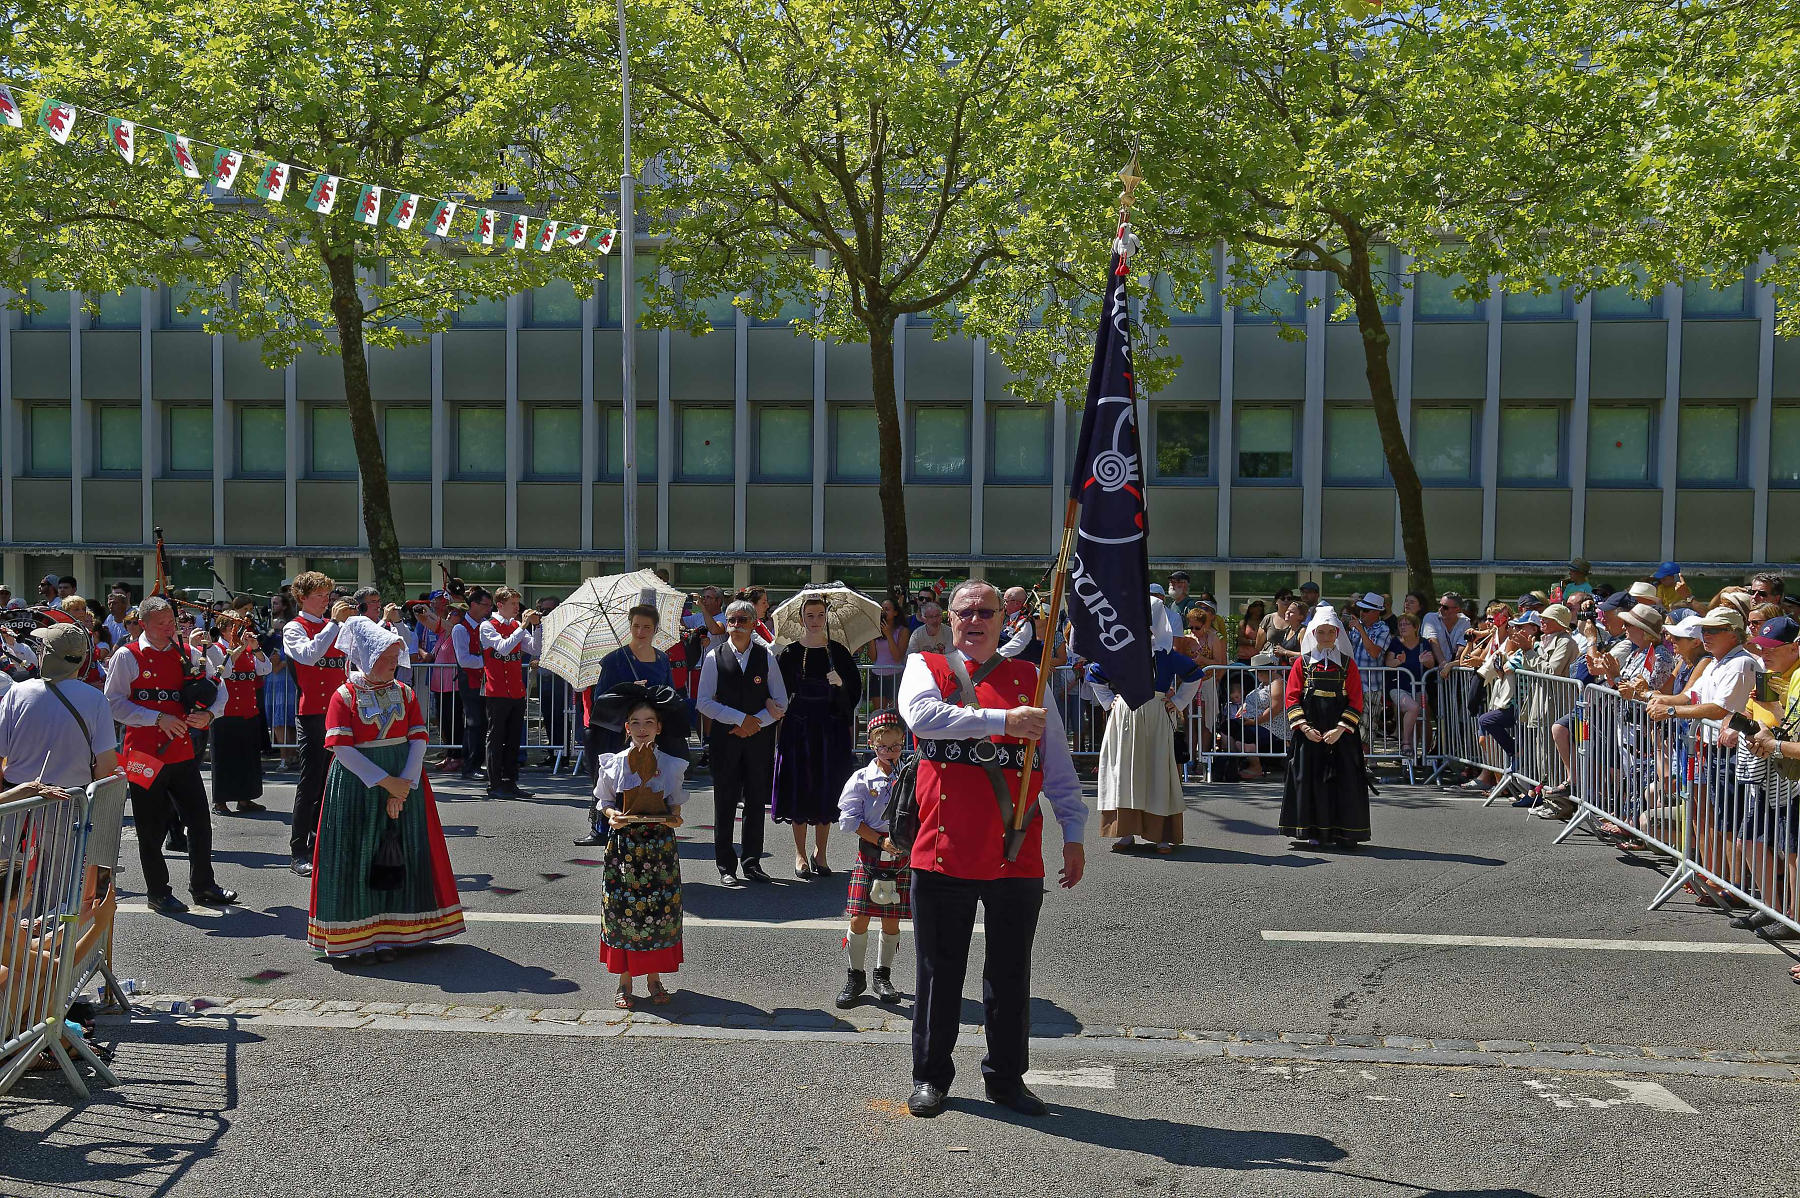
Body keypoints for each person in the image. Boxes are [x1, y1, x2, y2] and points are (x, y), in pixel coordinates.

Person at [898, 579, 1087, 1119]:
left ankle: (1007, 1078)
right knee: (939, 971)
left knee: (1009, 972)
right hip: (941, 846)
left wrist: (1073, 833)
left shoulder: (1031, 675)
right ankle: (931, 1076)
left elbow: (1057, 766)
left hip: (1016, 845)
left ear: (1005, 618)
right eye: (965, 612)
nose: (975, 620)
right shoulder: (926, 665)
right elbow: (922, 718)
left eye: (986, 611)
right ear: (949, 620)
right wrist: (1006, 721)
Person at [307, 617, 464, 963]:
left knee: (399, 851)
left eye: (395, 659)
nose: (394, 665)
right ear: (366, 656)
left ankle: (395, 933)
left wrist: (403, 786)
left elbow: (419, 738)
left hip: (404, 781)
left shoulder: (405, 693)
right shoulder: (343, 695)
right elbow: (341, 749)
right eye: (386, 659)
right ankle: (359, 938)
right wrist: (387, 782)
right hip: (357, 785)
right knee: (359, 853)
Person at [104, 596, 236, 914]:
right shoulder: (127, 655)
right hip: (142, 753)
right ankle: (158, 891)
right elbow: (112, 702)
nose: (168, 628)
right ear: (144, 624)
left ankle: (203, 885)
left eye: (171, 623)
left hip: (181, 752)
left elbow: (221, 688)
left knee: (199, 821)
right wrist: (157, 718)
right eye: (161, 623)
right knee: (151, 827)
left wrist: (211, 715)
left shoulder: (188, 654)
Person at [591, 688, 690, 1008]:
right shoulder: (615, 764)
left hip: (659, 850)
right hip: (625, 849)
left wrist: (674, 819)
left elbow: (675, 808)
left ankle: (655, 979)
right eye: (635, 722)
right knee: (624, 914)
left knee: (659, 914)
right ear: (627, 728)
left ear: (659, 727)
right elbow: (603, 802)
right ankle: (624, 982)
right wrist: (612, 816)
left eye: (649, 721)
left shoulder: (671, 765)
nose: (642, 728)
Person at [1092, 600, 1203, 853]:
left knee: (1157, 771)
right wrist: (1110, 702)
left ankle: (1161, 834)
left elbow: (1194, 675)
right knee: (1125, 770)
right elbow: (1094, 675)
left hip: (1155, 714)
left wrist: (1177, 702)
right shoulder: (1117, 653)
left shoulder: (1165, 655)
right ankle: (1126, 831)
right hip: (1125, 715)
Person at [696, 599, 789, 887]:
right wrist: (739, 719)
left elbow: (781, 702)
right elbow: (703, 702)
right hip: (726, 740)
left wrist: (754, 723)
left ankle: (752, 862)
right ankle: (725, 865)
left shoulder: (766, 657)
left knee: (754, 801)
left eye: (742, 621)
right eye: (732, 620)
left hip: (758, 741)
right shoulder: (714, 656)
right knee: (724, 801)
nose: (736, 626)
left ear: (752, 625)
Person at [774, 595, 862, 878]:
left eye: (820, 615)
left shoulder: (838, 652)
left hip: (830, 730)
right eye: (810, 615)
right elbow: (777, 692)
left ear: (826, 617)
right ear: (802, 618)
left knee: (826, 790)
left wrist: (841, 684)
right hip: (798, 729)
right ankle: (800, 854)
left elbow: (854, 694)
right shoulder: (788, 654)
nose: (815, 620)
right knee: (799, 789)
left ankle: (820, 853)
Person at [577, 604, 673, 846]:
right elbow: (601, 698)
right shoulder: (614, 659)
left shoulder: (662, 659)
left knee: (647, 778)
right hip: (613, 731)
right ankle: (600, 827)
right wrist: (629, 690)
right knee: (608, 779)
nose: (641, 631)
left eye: (647, 627)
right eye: (636, 626)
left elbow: (671, 692)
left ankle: (646, 824)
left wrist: (654, 695)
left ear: (655, 629)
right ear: (629, 627)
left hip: (648, 731)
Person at [833, 711, 911, 1009]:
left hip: (901, 857)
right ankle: (856, 976)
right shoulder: (862, 779)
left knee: (891, 921)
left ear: (902, 743)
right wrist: (880, 840)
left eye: (895, 747)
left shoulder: (910, 774)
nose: (890, 753)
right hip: (871, 854)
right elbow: (848, 820)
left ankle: (883, 975)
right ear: (872, 745)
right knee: (859, 917)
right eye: (883, 747)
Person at [282, 572, 353, 877]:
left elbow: (351, 663)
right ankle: (299, 849)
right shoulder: (293, 628)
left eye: (328, 595)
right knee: (310, 780)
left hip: (339, 711)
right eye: (320, 596)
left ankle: (323, 841)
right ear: (302, 598)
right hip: (312, 713)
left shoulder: (332, 626)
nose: (326, 600)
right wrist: (335, 625)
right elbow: (309, 656)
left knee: (334, 780)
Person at [0, 624, 119, 795]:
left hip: (19, 804)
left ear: (46, 655)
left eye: (41, 648)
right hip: (72, 800)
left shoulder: (17, 693)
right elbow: (107, 763)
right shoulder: (96, 699)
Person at [479, 587, 542, 800]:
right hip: (496, 692)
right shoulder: (487, 626)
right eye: (513, 604)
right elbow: (504, 648)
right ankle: (494, 783)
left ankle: (510, 781)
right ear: (500, 605)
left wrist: (537, 626)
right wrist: (523, 626)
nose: (517, 608)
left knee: (514, 739)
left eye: (517, 603)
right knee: (496, 738)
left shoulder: (515, 625)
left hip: (516, 691)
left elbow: (535, 649)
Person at [205, 610, 271, 815]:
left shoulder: (249, 650)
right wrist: (241, 647)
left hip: (248, 710)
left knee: (247, 757)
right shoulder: (216, 649)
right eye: (234, 627)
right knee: (224, 757)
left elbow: (265, 669)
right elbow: (228, 669)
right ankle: (220, 802)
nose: (240, 631)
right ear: (224, 629)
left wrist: (256, 648)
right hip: (225, 712)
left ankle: (245, 798)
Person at [451, 587, 495, 781]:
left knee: (483, 724)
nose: (489, 609)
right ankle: (470, 766)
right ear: (474, 604)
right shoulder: (460, 628)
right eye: (485, 605)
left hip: (487, 681)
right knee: (474, 723)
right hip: (470, 681)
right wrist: (489, 661)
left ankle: (477, 763)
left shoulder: (487, 625)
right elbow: (464, 660)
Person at [1383, 614, 1439, 758]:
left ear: (1415, 627)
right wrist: (1398, 662)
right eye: (1400, 624)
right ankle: (1406, 744)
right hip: (1398, 687)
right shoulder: (1395, 643)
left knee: (1422, 719)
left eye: (1406, 624)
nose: (1402, 627)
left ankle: (1425, 756)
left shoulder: (1423, 643)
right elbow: (1389, 664)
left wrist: (1425, 661)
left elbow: (1431, 664)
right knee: (1413, 708)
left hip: (1419, 686)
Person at [867, 600, 908, 710]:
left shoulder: (902, 631)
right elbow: (872, 657)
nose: (884, 612)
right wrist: (872, 635)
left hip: (895, 676)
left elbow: (897, 657)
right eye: (882, 609)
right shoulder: (876, 630)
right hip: (877, 676)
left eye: (887, 609)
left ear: (895, 613)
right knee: (879, 712)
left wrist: (889, 635)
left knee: (894, 713)